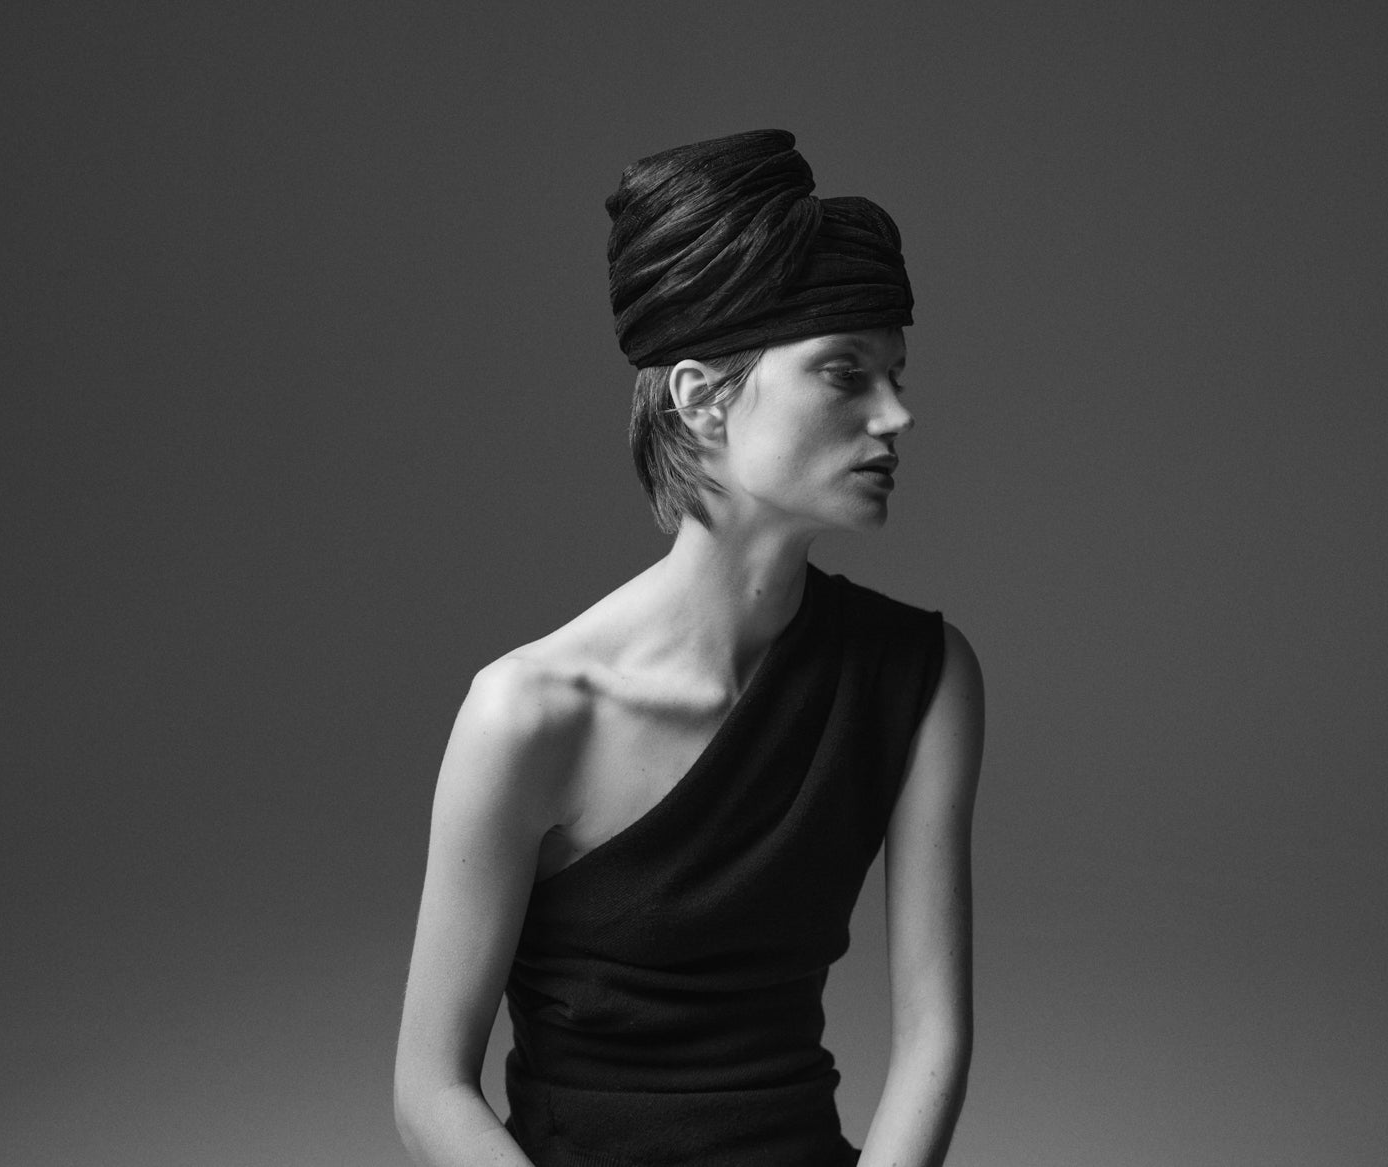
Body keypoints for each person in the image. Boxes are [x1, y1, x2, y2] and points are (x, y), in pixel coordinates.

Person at [394, 129, 984, 1167]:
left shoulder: (922, 679)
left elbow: (932, 1033)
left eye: (895, 373)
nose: (896, 415)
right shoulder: (527, 711)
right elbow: (431, 1089)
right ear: (703, 398)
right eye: (845, 373)